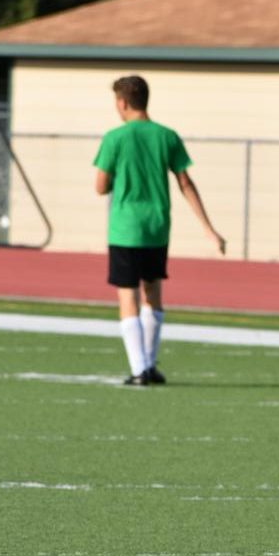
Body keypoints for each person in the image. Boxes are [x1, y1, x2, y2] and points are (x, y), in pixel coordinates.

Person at [93, 75, 226, 385]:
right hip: (157, 227)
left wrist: (121, 177)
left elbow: (100, 186)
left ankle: (139, 368)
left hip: (125, 228)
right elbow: (185, 182)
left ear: (122, 103)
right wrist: (209, 229)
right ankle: (150, 366)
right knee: (153, 292)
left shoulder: (114, 138)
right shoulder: (167, 136)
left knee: (128, 296)